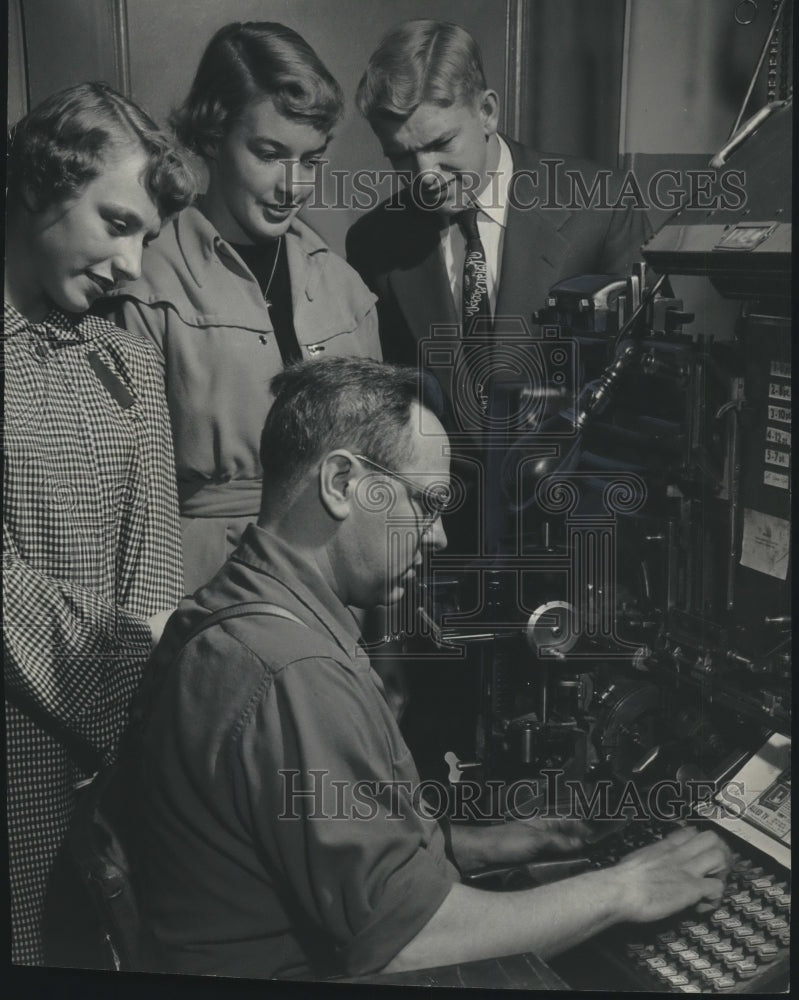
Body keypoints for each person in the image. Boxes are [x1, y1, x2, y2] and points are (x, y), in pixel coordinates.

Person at [121, 357, 731, 981]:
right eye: (428, 503)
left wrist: (486, 843)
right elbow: (410, 945)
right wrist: (627, 887)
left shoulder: (233, 612)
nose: (438, 537)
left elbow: (310, 839)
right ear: (340, 482)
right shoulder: (292, 672)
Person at [3, 81, 196, 964]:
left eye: (147, 239)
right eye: (117, 223)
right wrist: (118, 681)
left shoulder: (128, 353)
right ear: (41, 187)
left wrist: (137, 728)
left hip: (112, 765)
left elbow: (155, 572)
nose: (134, 266)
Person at [97, 21, 381, 594]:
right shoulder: (144, 281)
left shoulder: (346, 287)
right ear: (213, 134)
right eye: (269, 154)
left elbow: (378, 466)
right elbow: (113, 493)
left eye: (311, 160)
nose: (292, 186)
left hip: (334, 581)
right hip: (199, 584)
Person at [346, 18, 652, 439]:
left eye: (439, 145)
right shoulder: (373, 242)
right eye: (401, 156)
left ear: (487, 112)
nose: (425, 176)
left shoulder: (603, 205)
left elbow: (648, 377)